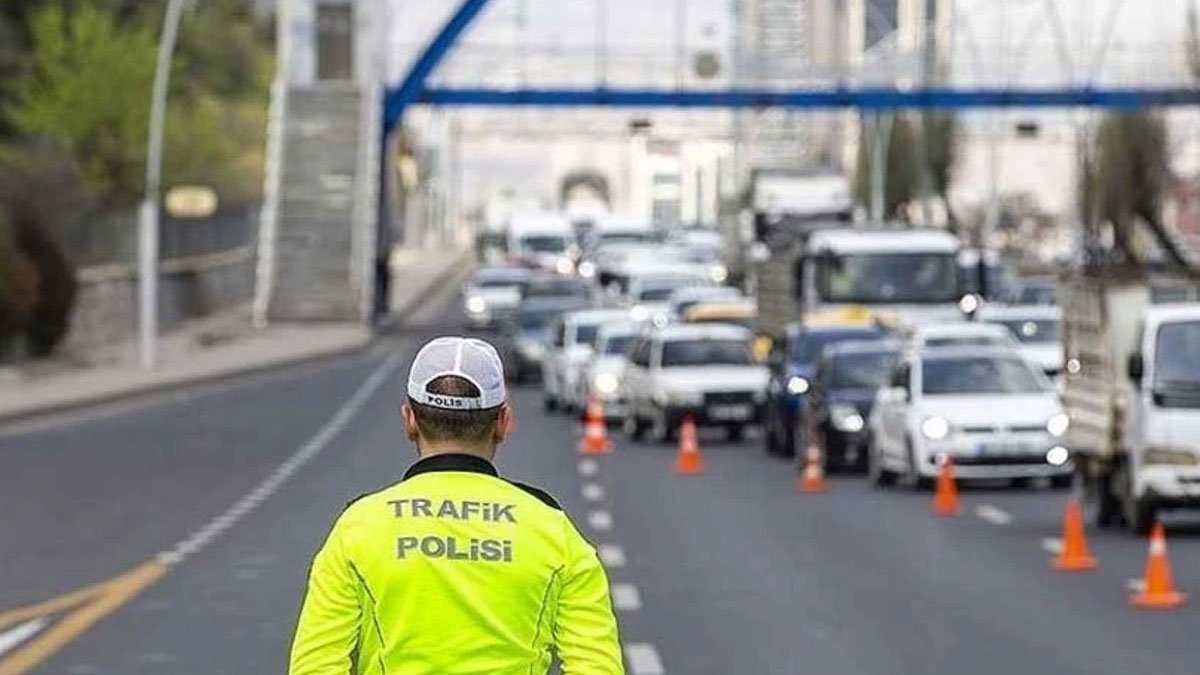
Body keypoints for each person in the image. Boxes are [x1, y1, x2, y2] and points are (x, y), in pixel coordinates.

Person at [288, 336, 624, 674]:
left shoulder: (357, 529)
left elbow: (315, 666)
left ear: (409, 421)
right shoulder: (554, 531)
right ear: (503, 423)